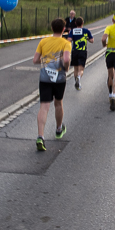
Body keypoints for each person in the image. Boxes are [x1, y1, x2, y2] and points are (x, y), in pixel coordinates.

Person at [33, 18, 72, 151]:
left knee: (44, 106)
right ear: (63, 30)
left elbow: (35, 60)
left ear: (51, 28)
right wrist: (66, 67)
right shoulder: (66, 43)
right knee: (58, 103)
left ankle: (40, 136)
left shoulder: (43, 41)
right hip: (59, 78)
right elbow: (66, 59)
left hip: (44, 77)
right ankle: (59, 129)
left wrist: (46, 61)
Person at [67, 16, 94, 90]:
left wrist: (73, 38)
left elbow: (69, 40)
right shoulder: (86, 31)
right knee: (81, 69)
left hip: (75, 51)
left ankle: (77, 83)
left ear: (75, 23)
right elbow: (92, 40)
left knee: (75, 69)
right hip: (82, 51)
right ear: (83, 23)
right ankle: (79, 77)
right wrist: (87, 38)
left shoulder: (73, 31)